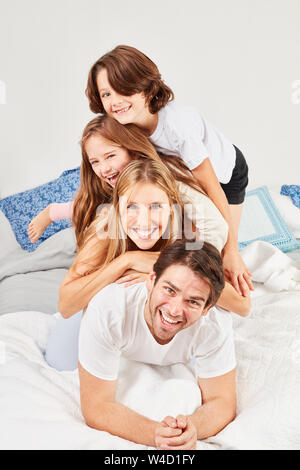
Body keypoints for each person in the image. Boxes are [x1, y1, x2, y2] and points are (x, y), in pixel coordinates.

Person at [45, 159, 250, 371]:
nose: (144, 221)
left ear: (171, 208)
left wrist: (162, 269)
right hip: (106, 323)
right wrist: (126, 261)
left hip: (154, 326)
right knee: (61, 359)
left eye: (156, 207)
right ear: (118, 207)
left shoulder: (186, 235)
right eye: (132, 206)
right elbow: (66, 306)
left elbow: (242, 306)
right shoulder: (105, 233)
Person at [85, 45, 253, 298]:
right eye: (106, 94)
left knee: (221, 251)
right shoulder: (125, 125)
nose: (115, 101)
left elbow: (211, 187)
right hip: (183, 172)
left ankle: (226, 286)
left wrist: (232, 250)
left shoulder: (177, 126)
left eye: (123, 89)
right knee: (191, 237)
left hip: (225, 174)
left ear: (145, 87)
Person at [78, 239, 237, 449]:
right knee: (59, 357)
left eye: (193, 301)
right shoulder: (109, 309)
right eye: (170, 290)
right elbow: (96, 406)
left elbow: (222, 402)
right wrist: (154, 433)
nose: (174, 310)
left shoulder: (214, 324)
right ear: (151, 280)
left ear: (207, 308)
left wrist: (190, 430)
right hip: (98, 319)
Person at [28, 115, 228, 254]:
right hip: (148, 239)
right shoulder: (113, 183)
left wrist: (198, 263)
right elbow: (92, 207)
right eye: (95, 162)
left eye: (111, 156)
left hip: (179, 243)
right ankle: (54, 211)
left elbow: (215, 226)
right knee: (101, 210)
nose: (104, 168)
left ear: (132, 152)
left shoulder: (164, 180)